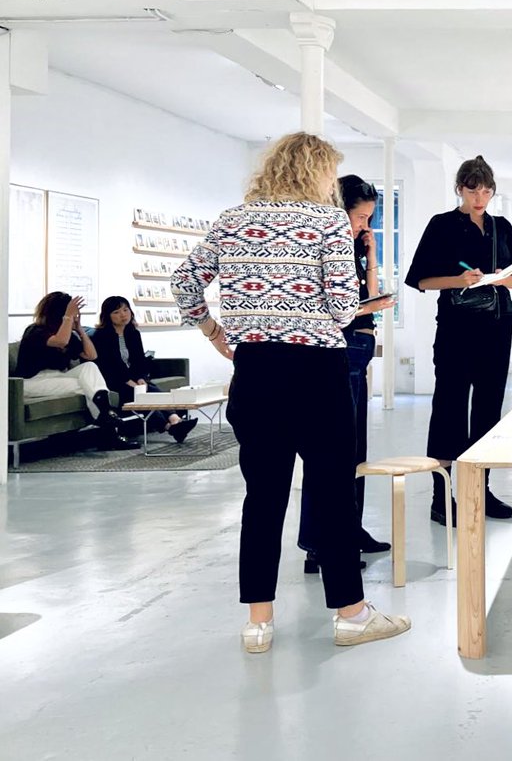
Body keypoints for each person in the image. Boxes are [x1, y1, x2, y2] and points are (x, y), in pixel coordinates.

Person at [172, 131, 410, 654]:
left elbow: (184, 284)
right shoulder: (328, 222)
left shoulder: (232, 220)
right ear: (318, 173)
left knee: (263, 497)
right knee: (332, 495)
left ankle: (258, 623)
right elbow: (343, 309)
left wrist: (215, 333)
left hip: (255, 371)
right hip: (317, 372)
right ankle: (351, 614)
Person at [404, 155, 512, 526]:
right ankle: (441, 497)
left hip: (497, 327)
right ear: (460, 189)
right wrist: (459, 281)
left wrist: (497, 277)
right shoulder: (442, 225)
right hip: (456, 330)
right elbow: (421, 280)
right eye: (473, 190)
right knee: (449, 408)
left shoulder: (501, 227)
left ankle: (480, 490)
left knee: (489, 410)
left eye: (487, 191)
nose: (480, 198)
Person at [298, 174, 396, 573]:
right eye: (360, 217)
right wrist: (370, 309)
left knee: (354, 451)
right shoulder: (322, 248)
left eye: (370, 219)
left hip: (358, 351)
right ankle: (322, 544)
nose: (364, 225)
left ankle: (349, 531)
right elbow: (335, 311)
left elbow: (368, 296)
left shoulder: (350, 247)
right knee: (332, 451)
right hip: (339, 352)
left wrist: (371, 255)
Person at [16, 292, 138, 449]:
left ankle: (106, 419)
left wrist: (80, 330)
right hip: (31, 382)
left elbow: (91, 356)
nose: (76, 316)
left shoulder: (70, 335)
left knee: (89, 368)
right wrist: (68, 317)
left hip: (58, 377)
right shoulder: (36, 330)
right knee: (88, 388)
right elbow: (60, 341)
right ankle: (109, 431)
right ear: (60, 313)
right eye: (73, 312)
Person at [92, 295, 198, 443]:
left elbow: (139, 361)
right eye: (116, 312)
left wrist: (141, 377)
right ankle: (172, 426)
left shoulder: (133, 333)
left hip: (133, 378)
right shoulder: (101, 336)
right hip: (112, 381)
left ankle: (174, 422)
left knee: (149, 388)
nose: (123, 315)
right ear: (107, 316)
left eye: (125, 310)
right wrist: (128, 381)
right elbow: (108, 366)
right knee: (142, 395)